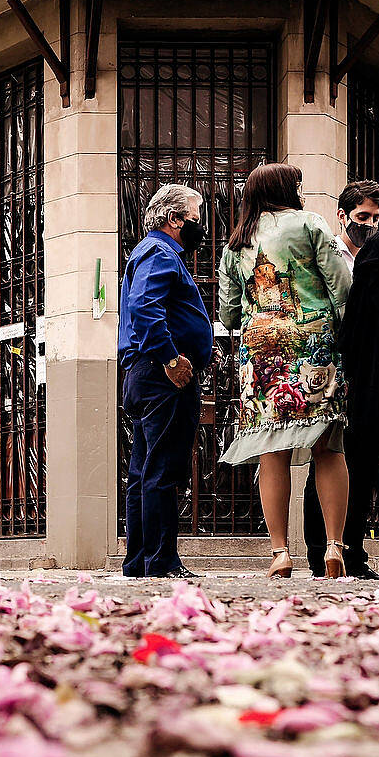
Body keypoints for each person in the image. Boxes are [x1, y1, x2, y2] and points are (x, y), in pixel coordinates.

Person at [218, 163, 351, 579]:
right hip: (314, 344)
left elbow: (228, 312)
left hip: (261, 353)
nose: (302, 190)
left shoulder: (236, 243)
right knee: (328, 447)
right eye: (298, 184)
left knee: (270, 450)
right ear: (285, 189)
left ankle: (279, 551)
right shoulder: (311, 223)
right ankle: (334, 546)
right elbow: (342, 288)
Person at [118, 183, 213, 578]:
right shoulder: (160, 252)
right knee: (161, 470)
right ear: (175, 219)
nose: (201, 226)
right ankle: (161, 562)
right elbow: (145, 306)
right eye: (196, 218)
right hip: (163, 376)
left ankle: (140, 562)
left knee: (144, 471)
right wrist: (171, 358)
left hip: (147, 373)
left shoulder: (151, 252)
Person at [301, 179, 379, 578]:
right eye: (362, 216)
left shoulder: (378, 257)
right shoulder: (326, 254)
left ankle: (353, 552)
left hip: (366, 371)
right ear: (342, 215)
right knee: (327, 457)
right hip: (332, 369)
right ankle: (318, 551)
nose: (369, 225)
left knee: (364, 463)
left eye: (376, 218)